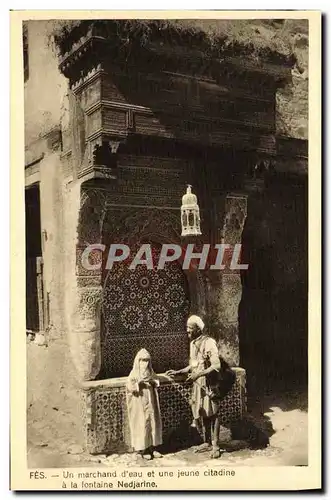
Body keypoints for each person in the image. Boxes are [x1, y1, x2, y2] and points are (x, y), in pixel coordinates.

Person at [166, 315, 222, 459]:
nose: (187, 331)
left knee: (214, 413)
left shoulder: (209, 342)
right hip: (198, 383)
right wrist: (179, 371)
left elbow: (216, 365)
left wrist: (199, 375)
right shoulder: (192, 344)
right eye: (187, 328)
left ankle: (216, 446)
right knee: (203, 411)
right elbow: (194, 365)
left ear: (198, 329)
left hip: (210, 383)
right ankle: (207, 442)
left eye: (190, 328)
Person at [126, 348, 163, 460]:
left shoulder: (150, 372)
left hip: (151, 402)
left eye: (147, 360)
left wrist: (153, 382)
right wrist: (138, 384)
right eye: (142, 360)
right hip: (140, 403)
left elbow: (156, 381)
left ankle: (153, 447)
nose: (145, 363)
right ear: (138, 361)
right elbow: (129, 387)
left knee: (152, 423)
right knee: (142, 424)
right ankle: (144, 449)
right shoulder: (134, 373)